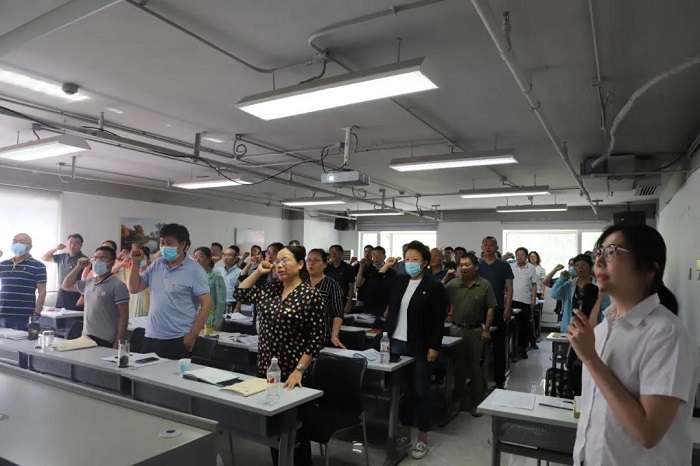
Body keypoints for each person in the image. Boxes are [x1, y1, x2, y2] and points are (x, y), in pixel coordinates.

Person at [569, 224, 700, 465]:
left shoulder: (667, 334)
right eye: (599, 252)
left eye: (612, 252)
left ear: (649, 268)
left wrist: (590, 359)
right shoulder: (603, 328)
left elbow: (648, 432)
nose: (599, 261)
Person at [235, 245, 325, 466]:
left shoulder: (310, 295)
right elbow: (240, 293)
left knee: (296, 433)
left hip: (295, 375)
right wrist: (258, 272)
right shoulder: (270, 289)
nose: (280, 265)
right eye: (277, 261)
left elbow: (316, 339)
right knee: (274, 429)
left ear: (300, 264)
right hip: (267, 371)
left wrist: (299, 370)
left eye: (286, 261)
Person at [383, 240, 446, 460]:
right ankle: (405, 433)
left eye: (415, 260)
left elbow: (438, 320)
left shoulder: (434, 286)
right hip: (396, 344)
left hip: (420, 346)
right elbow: (377, 289)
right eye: (407, 259)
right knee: (405, 392)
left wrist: (434, 346)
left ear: (425, 262)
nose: (410, 263)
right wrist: (385, 267)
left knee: (421, 392)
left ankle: (422, 438)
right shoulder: (400, 281)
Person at [127, 224, 211, 360]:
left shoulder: (195, 270)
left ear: (182, 245)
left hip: (178, 337)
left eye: (169, 243)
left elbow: (206, 305)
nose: (164, 247)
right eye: (162, 243)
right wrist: (135, 263)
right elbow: (134, 288)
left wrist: (192, 335)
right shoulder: (157, 264)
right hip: (151, 335)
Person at [445, 252, 497, 416]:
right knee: (458, 366)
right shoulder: (454, 283)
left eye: (467, 265)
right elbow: (437, 294)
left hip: (475, 330)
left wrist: (486, 329)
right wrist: (447, 277)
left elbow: (491, 307)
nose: (464, 268)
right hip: (456, 329)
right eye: (461, 265)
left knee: (475, 367)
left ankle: (476, 401)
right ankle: (459, 399)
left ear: (476, 267)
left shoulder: (484, 284)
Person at [61, 246, 129, 348]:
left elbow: (124, 316)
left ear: (112, 263)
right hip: (86, 337)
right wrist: (78, 267)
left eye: (102, 259)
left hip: (106, 339)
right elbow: (66, 286)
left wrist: (119, 341)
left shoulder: (118, 285)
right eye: (95, 258)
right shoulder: (89, 282)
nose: (97, 261)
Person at [478, 236, 513, 390]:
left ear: (496, 248)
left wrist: (507, 308)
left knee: (499, 347)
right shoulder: (477, 265)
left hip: (498, 310)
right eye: (485, 245)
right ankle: (477, 378)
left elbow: (509, 289)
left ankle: (499, 380)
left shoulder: (504, 265)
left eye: (491, 245)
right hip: (480, 311)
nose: (488, 247)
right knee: (478, 347)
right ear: (482, 247)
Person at [550, 253, 609, 333]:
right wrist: (562, 278)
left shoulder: (598, 286)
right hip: (571, 327)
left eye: (583, 264)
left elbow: (604, 309)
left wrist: (602, 328)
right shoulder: (569, 285)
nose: (580, 267)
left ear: (590, 266)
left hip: (592, 328)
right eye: (577, 265)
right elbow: (554, 294)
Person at [0, 233, 47, 330]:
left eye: (22, 242)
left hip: (24, 315)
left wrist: (36, 313)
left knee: (22, 340)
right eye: (15, 241)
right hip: (3, 313)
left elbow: (42, 292)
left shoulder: (38, 266)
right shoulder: (4, 264)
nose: (17, 244)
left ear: (30, 247)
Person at [307, 248, 345, 348]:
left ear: (325, 264)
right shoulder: (302, 285)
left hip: (321, 338)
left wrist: (334, 335)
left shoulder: (332, 285)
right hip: (301, 339)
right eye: (309, 260)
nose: (311, 263)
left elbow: (338, 313)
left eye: (316, 260)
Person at [41, 234, 87, 310]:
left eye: (76, 243)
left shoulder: (84, 260)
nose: (72, 245)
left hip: (75, 293)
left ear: (81, 245)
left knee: (75, 316)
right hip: (61, 292)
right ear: (67, 244)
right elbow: (44, 258)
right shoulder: (61, 257)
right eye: (70, 242)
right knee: (58, 315)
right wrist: (56, 248)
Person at [510, 247, 538, 359]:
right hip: (512, 300)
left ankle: (522, 349)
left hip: (525, 301)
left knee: (524, 327)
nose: (519, 257)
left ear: (526, 257)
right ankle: (513, 349)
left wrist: (533, 299)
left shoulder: (531, 268)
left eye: (522, 255)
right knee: (512, 326)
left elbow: (534, 284)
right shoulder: (511, 266)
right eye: (517, 254)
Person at [355, 246, 395, 317]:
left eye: (379, 255)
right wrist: (361, 267)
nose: (376, 257)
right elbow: (358, 284)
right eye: (374, 255)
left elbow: (393, 292)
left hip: (383, 305)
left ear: (384, 257)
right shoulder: (367, 269)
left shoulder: (391, 272)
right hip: (368, 305)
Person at [193, 247, 227, 329]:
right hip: (193, 318)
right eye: (195, 257)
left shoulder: (216, 276)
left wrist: (217, 322)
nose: (197, 260)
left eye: (201, 257)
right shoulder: (192, 276)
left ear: (208, 259)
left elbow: (220, 302)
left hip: (209, 319)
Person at [113, 244, 151, 317]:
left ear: (147, 259)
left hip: (146, 303)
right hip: (130, 302)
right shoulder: (127, 271)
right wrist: (121, 263)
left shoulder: (151, 272)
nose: (140, 259)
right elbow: (112, 272)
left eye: (143, 257)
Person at [324, 244, 356, 314]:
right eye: (331, 252)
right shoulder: (327, 268)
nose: (333, 254)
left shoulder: (348, 268)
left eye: (336, 251)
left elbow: (351, 287)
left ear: (341, 254)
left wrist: (348, 305)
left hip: (341, 301)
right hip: (327, 301)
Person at [528, 250, 547, 335]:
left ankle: (536, 331)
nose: (532, 258)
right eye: (531, 257)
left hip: (538, 292)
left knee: (537, 313)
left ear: (537, 258)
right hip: (528, 293)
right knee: (529, 313)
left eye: (534, 257)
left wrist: (543, 293)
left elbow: (543, 282)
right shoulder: (526, 267)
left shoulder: (541, 269)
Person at [219, 247, 242, 313]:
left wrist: (237, 307)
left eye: (229, 255)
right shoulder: (218, 271)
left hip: (233, 304)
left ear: (235, 258)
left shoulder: (240, 272)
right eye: (224, 255)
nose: (226, 257)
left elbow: (241, 292)